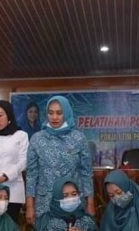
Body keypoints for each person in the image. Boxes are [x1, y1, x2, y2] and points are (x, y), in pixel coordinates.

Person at [26, 96, 95, 224]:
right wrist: (30, 207)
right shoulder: (37, 139)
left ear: (66, 113)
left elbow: (86, 173)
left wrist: (90, 203)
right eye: (51, 113)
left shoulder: (78, 138)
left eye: (59, 113)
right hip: (45, 202)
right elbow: (31, 175)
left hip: (72, 201)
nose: (54, 117)